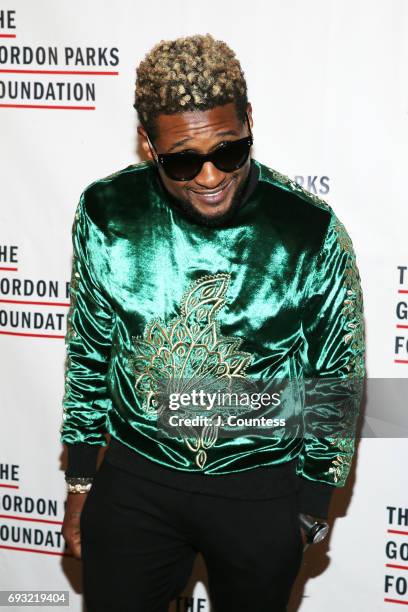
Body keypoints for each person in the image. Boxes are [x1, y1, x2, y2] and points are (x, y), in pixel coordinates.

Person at [60, 33, 365, 612]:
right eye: (182, 160)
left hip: (260, 490)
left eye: (228, 151)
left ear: (249, 120)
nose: (208, 177)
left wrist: (310, 507)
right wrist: (80, 478)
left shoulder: (308, 229)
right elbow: (89, 351)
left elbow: (336, 377)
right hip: (136, 480)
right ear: (149, 145)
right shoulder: (107, 211)